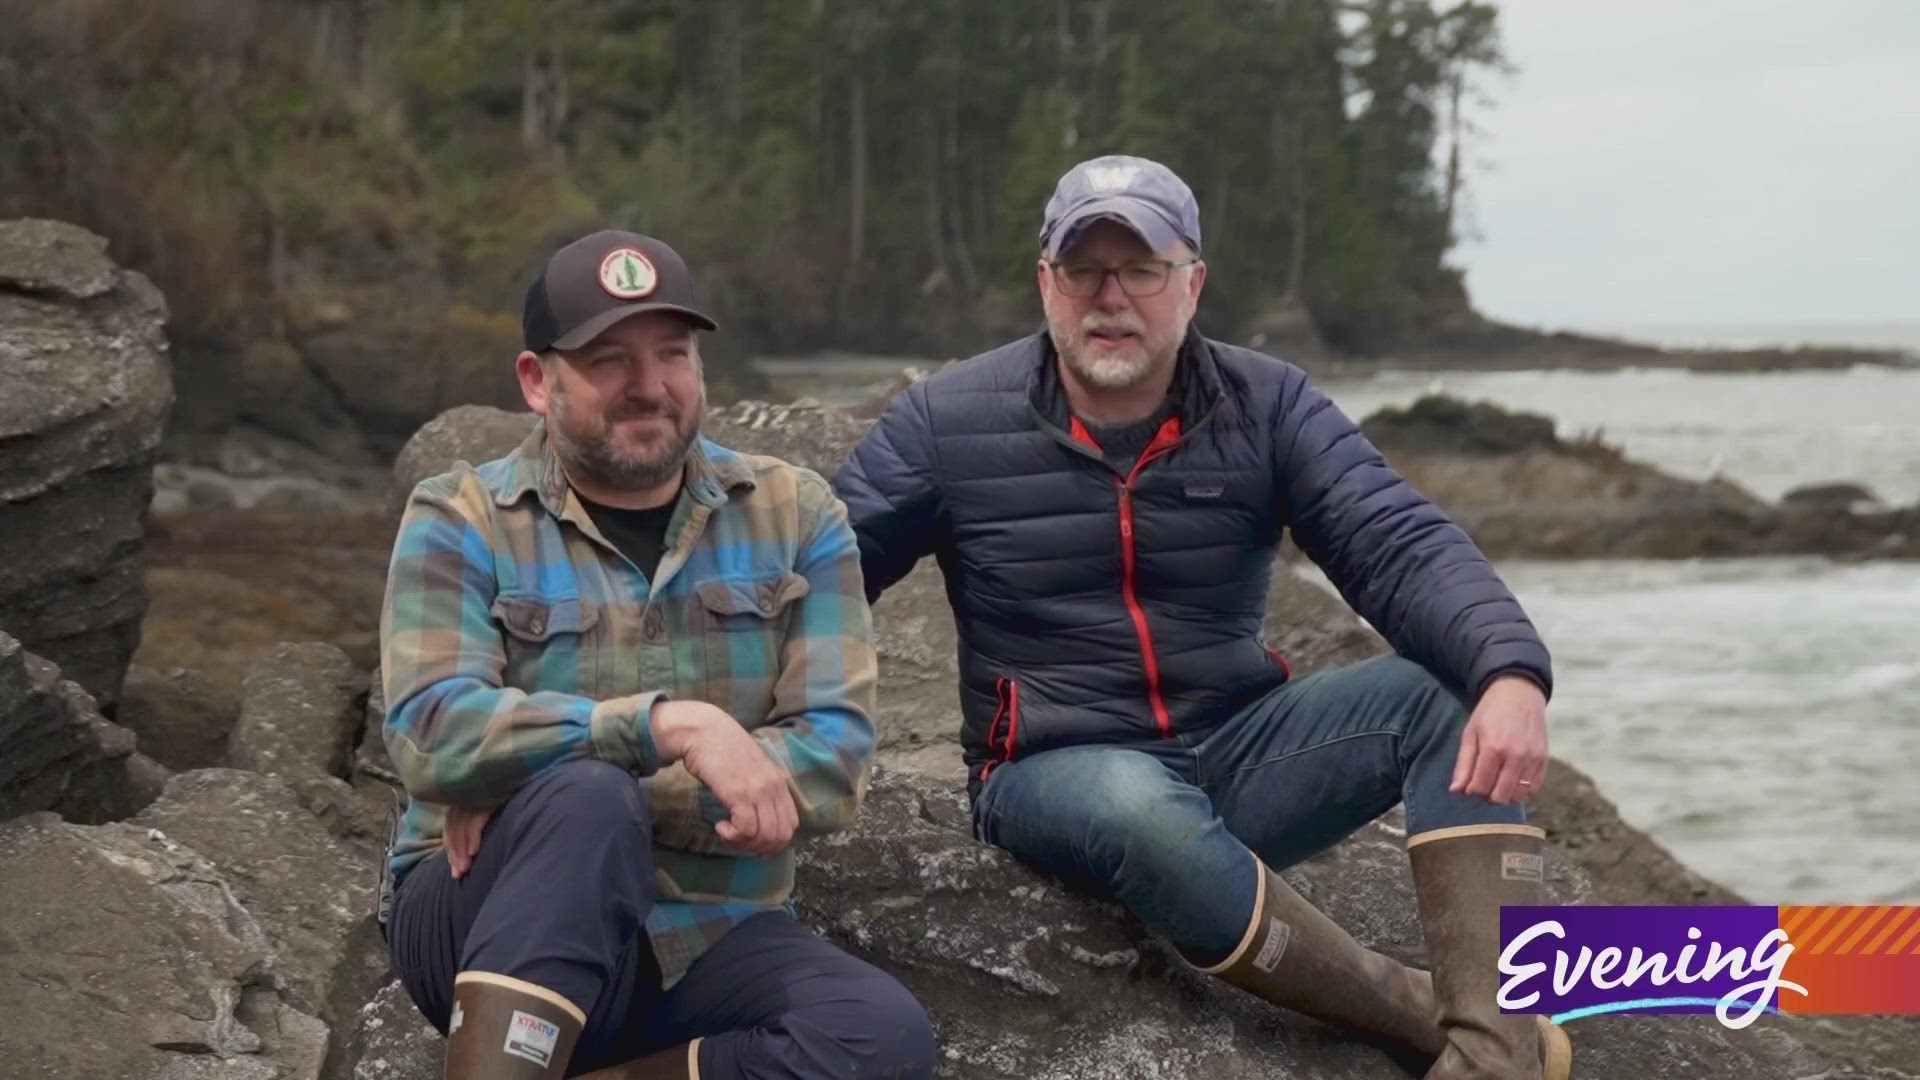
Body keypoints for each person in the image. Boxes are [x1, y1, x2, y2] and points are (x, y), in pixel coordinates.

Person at [831, 155, 1574, 1079]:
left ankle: (1496, 1057)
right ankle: (1415, 1011)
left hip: (1236, 751)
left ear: (1192, 284)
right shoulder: (946, 422)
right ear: (1044, 285)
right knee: (1138, 805)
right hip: (1053, 776)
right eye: (1082, 270)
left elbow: (1394, 540)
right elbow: (825, 571)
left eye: (1140, 268)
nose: (1111, 297)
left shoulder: (1268, 405)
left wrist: (1508, 669)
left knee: (1452, 698)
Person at [378, 229, 936, 1080]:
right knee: (584, 802)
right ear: (537, 381)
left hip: (707, 928)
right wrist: (672, 731)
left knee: (878, 1037)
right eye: (608, 360)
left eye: (671, 354)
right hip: (480, 914)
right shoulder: (461, 516)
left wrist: (540, 785)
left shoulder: (798, 514)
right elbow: (430, 731)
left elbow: (831, 758)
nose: (649, 387)